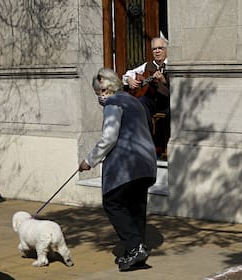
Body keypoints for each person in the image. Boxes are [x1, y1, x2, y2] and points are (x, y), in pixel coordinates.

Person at [79, 68, 157, 271]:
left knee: (113, 202)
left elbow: (109, 137)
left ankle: (134, 248)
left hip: (126, 164)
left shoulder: (113, 103)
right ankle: (138, 250)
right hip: (146, 163)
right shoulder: (135, 102)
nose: (99, 98)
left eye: (98, 94)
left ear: (105, 90)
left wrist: (89, 160)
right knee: (136, 206)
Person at [122, 37, 170, 159]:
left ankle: (167, 148)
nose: (157, 51)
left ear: (166, 50)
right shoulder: (147, 65)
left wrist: (164, 81)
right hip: (152, 102)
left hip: (168, 101)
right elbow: (128, 74)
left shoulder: (172, 65)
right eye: (154, 49)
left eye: (160, 48)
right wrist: (129, 79)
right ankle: (145, 143)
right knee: (140, 103)